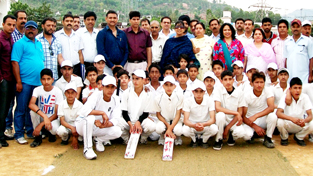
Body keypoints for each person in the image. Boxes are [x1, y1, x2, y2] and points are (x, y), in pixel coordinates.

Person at [11, 20, 45, 144]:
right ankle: (19, 134)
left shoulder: (39, 44)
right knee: (21, 108)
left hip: (38, 83)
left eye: (33, 28)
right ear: (25, 29)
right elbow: (14, 62)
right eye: (28, 28)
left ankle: (30, 131)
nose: (31, 30)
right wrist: (18, 81)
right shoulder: (19, 44)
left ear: (36, 30)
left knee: (33, 109)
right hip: (25, 82)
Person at [76, 75, 122, 160]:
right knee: (90, 118)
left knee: (118, 131)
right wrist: (102, 113)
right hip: (82, 126)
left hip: (98, 127)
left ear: (115, 88)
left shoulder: (116, 99)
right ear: (102, 87)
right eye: (107, 87)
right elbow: (84, 111)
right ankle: (87, 149)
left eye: (112, 87)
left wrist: (104, 125)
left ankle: (99, 140)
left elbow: (115, 119)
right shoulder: (96, 95)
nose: (110, 90)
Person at [119, 69, 156, 144]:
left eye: (137, 79)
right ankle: (126, 139)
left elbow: (146, 113)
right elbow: (124, 112)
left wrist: (138, 122)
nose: (135, 81)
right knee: (117, 124)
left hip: (141, 121)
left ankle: (142, 139)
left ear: (144, 80)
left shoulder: (149, 94)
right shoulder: (126, 92)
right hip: (128, 121)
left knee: (152, 126)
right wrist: (130, 124)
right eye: (133, 79)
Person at [213, 70, 247, 150]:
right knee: (220, 115)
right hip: (222, 119)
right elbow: (218, 108)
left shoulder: (240, 92)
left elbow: (240, 112)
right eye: (225, 79)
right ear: (221, 81)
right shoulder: (218, 90)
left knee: (241, 133)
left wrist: (228, 128)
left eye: (230, 79)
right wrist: (236, 113)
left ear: (233, 80)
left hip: (233, 120)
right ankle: (218, 139)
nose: (228, 82)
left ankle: (231, 135)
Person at [28, 69, 63, 147]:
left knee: (54, 130)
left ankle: (50, 133)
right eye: (43, 79)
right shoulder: (37, 89)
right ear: (40, 80)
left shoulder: (58, 91)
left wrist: (41, 124)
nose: (46, 82)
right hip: (42, 116)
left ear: (52, 80)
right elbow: (31, 104)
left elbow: (57, 113)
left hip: (53, 117)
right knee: (32, 112)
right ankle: (38, 137)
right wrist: (44, 117)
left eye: (48, 79)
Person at [242, 71, 277, 148]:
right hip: (250, 121)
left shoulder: (268, 91)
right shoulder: (246, 95)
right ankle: (254, 134)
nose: (259, 85)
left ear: (264, 83)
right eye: (256, 82)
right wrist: (255, 126)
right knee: (246, 136)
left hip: (263, 118)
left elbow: (271, 108)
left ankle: (268, 138)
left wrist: (256, 115)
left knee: (273, 116)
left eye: (261, 82)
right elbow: (243, 116)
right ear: (252, 83)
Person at [276, 77, 313, 146]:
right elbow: (278, 113)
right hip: (288, 123)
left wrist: (304, 121)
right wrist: (292, 119)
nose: (297, 90)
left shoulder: (305, 97)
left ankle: (299, 137)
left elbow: (310, 115)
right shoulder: (285, 97)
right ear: (290, 89)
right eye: (295, 88)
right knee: (279, 122)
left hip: (300, 123)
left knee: (312, 124)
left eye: (299, 88)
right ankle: (284, 137)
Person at [182, 81, 218, 148]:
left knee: (214, 129)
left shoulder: (210, 100)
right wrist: (194, 125)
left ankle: (204, 140)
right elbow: (186, 120)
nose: (199, 94)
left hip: (205, 126)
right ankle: (194, 140)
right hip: (192, 126)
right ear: (193, 92)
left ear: (204, 92)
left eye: (201, 91)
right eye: (196, 91)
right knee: (185, 130)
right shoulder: (187, 101)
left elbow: (212, 119)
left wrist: (203, 125)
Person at [0, 15, 16, 147]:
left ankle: (2, 133)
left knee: (5, 109)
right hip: (3, 79)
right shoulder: (0, 39)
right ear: (3, 24)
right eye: (9, 24)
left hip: (10, 78)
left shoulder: (10, 39)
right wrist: (1, 79)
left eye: (13, 25)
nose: (11, 27)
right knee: (2, 108)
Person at [96, 10, 128, 76]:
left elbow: (126, 50)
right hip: (107, 67)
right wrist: (111, 65)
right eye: (110, 18)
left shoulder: (122, 33)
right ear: (106, 19)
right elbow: (101, 51)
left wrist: (122, 64)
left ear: (117, 19)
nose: (112, 20)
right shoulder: (102, 33)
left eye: (114, 18)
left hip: (121, 67)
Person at [154, 75, 184, 145]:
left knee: (178, 131)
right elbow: (158, 115)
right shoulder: (157, 98)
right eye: (166, 85)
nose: (169, 87)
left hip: (176, 120)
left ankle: (177, 136)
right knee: (159, 129)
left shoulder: (180, 97)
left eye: (171, 85)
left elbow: (178, 114)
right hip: (164, 120)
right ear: (163, 86)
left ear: (175, 86)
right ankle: (162, 136)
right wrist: (168, 126)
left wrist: (170, 128)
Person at [284, 19, 313, 84]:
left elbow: (311, 58)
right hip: (291, 75)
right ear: (291, 28)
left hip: (304, 76)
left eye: (297, 27)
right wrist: (285, 74)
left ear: (301, 28)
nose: (295, 29)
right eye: (294, 27)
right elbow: (286, 59)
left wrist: (310, 75)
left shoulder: (308, 41)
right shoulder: (287, 42)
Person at [56, 83, 83, 149]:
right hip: (66, 125)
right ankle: (65, 138)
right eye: (68, 93)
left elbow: (79, 120)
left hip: (77, 126)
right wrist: (72, 128)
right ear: (65, 94)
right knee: (60, 130)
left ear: (76, 94)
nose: (70, 95)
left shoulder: (80, 105)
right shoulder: (61, 104)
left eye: (72, 93)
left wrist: (75, 137)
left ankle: (79, 138)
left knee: (83, 130)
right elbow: (62, 121)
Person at [37, 17, 64, 82]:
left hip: (54, 76)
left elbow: (59, 58)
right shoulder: (37, 40)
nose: (51, 27)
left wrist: (66, 68)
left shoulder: (57, 41)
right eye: (48, 25)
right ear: (43, 26)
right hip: (41, 77)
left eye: (53, 26)